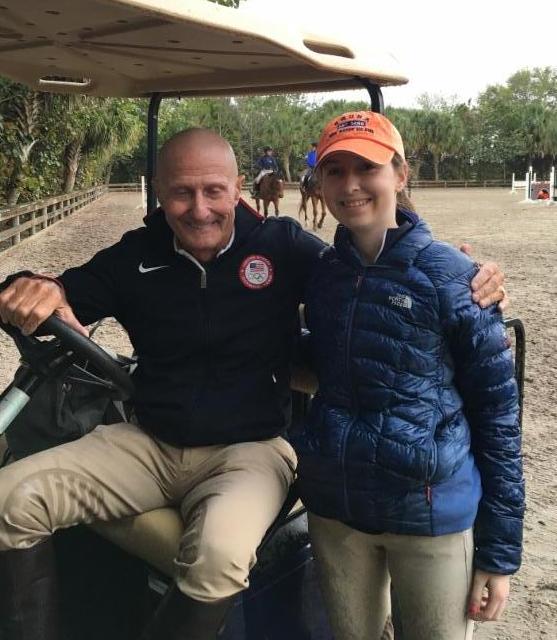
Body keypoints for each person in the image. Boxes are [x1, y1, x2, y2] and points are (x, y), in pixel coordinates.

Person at [0, 127, 506, 640]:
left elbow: (371, 274)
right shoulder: (136, 254)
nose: (199, 209)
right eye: (181, 192)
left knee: (217, 554)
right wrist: (27, 286)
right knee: (10, 498)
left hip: (252, 448)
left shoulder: (281, 245)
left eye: (214, 190)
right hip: (147, 441)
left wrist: (466, 277)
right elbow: (60, 293)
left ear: (239, 186)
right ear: (158, 191)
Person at [295, 111, 525, 640]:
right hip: (337, 510)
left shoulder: (454, 277)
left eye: (366, 167)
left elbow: (498, 418)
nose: (350, 185)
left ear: (399, 175)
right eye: (335, 171)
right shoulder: (323, 274)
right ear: (321, 183)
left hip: (429, 514)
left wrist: (499, 551)